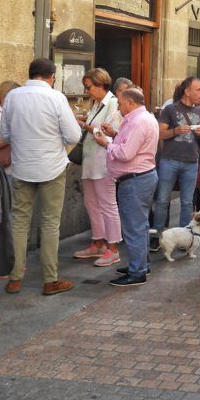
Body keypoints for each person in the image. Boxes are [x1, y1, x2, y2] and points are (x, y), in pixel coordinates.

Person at [0, 58, 81, 296]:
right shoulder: (56, 98)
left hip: (22, 167)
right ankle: (50, 279)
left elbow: (5, 133)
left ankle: (15, 278)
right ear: (52, 76)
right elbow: (74, 135)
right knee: (49, 224)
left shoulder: (13, 97)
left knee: (19, 222)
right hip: (51, 168)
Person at [93, 88, 158, 286]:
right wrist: (114, 134)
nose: (119, 107)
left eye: (120, 103)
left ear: (130, 103)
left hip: (135, 180)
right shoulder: (140, 119)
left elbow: (125, 153)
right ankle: (141, 264)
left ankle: (137, 272)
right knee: (141, 225)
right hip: (140, 178)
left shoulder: (139, 122)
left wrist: (106, 144)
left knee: (133, 228)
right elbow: (129, 144)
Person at [72, 68, 122, 267]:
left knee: (108, 205)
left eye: (89, 87)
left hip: (104, 162)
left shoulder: (113, 103)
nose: (87, 91)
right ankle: (98, 242)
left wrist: (86, 126)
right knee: (91, 203)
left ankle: (113, 248)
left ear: (101, 85)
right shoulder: (95, 104)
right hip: (90, 161)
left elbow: (109, 132)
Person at [153, 77, 200, 244]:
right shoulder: (170, 109)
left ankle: (184, 237)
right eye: (198, 90)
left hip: (191, 162)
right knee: (162, 200)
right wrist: (176, 130)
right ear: (187, 91)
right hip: (170, 160)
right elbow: (160, 134)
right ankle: (158, 235)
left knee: (187, 202)